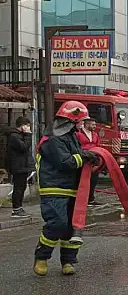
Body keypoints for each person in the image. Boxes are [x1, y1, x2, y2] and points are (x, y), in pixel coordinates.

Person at [33, 101, 99, 276]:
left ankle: (68, 261)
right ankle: (42, 256)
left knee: (72, 227)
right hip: (54, 188)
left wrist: (93, 161)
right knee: (57, 223)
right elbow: (65, 162)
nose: (82, 124)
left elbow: (78, 160)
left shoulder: (71, 136)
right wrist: (84, 156)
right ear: (72, 119)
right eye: (81, 120)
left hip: (72, 188)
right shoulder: (53, 139)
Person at [6, 116, 34, 218]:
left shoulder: (19, 136)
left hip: (22, 165)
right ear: (22, 126)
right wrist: (28, 135)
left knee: (22, 187)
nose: (28, 128)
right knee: (18, 188)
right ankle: (16, 209)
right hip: (18, 166)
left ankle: (19, 208)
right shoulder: (14, 136)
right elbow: (23, 147)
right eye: (27, 126)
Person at [75, 118, 102, 205]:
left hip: (93, 159)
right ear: (86, 124)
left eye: (95, 125)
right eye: (92, 124)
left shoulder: (95, 135)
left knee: (93, 180)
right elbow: (77, 147)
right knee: (81, 179)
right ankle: (80, 199)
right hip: (83, 158)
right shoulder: (78, 134)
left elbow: (98, 145)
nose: (94, 126)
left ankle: (91, 199)